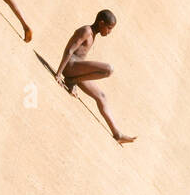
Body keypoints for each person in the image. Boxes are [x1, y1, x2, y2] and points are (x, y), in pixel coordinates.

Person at [54, 9, 135, 144]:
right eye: (109, 28)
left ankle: (117, 133)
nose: (109, 33)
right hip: (70, 67)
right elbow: (70, 50)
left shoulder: (93, 35)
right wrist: (58, 73)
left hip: (76, 71)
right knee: (108, 69)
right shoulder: (86, 31)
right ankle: (72, 80)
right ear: (101, 23)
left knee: (101, 96)